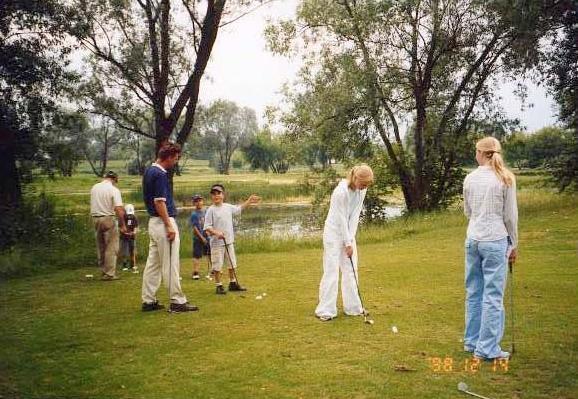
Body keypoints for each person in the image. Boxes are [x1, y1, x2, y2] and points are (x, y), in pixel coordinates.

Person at [463, 136, 518, 360]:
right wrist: (514, 244)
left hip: (473, 239)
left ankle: (472, 341)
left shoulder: (470, 178)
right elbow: (510, 217)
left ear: (481, 153)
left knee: (474, 291)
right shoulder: (505, 178)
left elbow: (467, 211)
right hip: (495, 239)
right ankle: (486, 348)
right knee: (492, 295)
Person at [141, 143, 198, 313]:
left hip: (153, 223)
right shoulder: (159, 174)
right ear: (170, 156)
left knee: (153, 264)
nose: (176, 161)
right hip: (163, 222)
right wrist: (168, 225)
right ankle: (177, 301)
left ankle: (148, 300)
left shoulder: (149, 170)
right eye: (176, 158)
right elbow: (159, 202)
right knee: (171, 263)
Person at [315, 165, 374, 321]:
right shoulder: (340, 192)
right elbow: (341, 218)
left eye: (367, 185)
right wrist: (347, 243)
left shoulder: (362, 190)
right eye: (363, 184)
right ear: (355, 178)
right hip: (333, 233)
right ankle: (325, 310)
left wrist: (350, 240)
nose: (365, 187)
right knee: (332, 270)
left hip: (348, 232)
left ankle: (354, 308)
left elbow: (355, 216)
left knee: (350, 269)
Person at [203, 184, 260, 295]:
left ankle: (233, 283)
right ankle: (219, 285)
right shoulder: (211, 210)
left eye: (218, 193)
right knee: (217, 265)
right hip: (216, 243)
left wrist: (249, 201)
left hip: (229, 241)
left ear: (223, 195)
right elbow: (207, 227)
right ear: (211, 196)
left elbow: (239, 209)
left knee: (232, 264)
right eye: (213, 194)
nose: (216, 196)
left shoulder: (227, 207)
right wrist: (217, 233)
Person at [90, 170, 127, 281]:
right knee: (111, 247)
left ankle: (103, 270)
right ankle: (110, 273)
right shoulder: (113, 189)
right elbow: (119, 209)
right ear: (114, 179)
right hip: (108, 218)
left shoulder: (95, 187)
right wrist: (122, 225)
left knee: (101, 246)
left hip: (95, 218)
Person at [189, 194, 210, 280]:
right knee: (197, 255)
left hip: (206, 236)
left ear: (202, 201)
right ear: (194, 203)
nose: (198, 203)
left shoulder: (205, 211)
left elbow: (207, 223)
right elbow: (195, 228)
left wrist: (208, 233)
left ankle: (213, 270)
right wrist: (202, 238)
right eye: (196, 201)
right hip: (198, 238)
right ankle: (195, 272)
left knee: (209, 253)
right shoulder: (194, 214)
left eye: (200, 200)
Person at [119, 203, 139, 272]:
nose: (129, 215)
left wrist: (134, 232)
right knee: (125, 252)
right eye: (128, 214)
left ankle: (132, 265)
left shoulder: (134, 217)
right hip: (124, 237)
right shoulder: (122, 218)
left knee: (132, 251)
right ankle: (124, 265)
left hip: (132, 237)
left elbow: (136, 227)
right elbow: (120, 228)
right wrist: (124, 232)